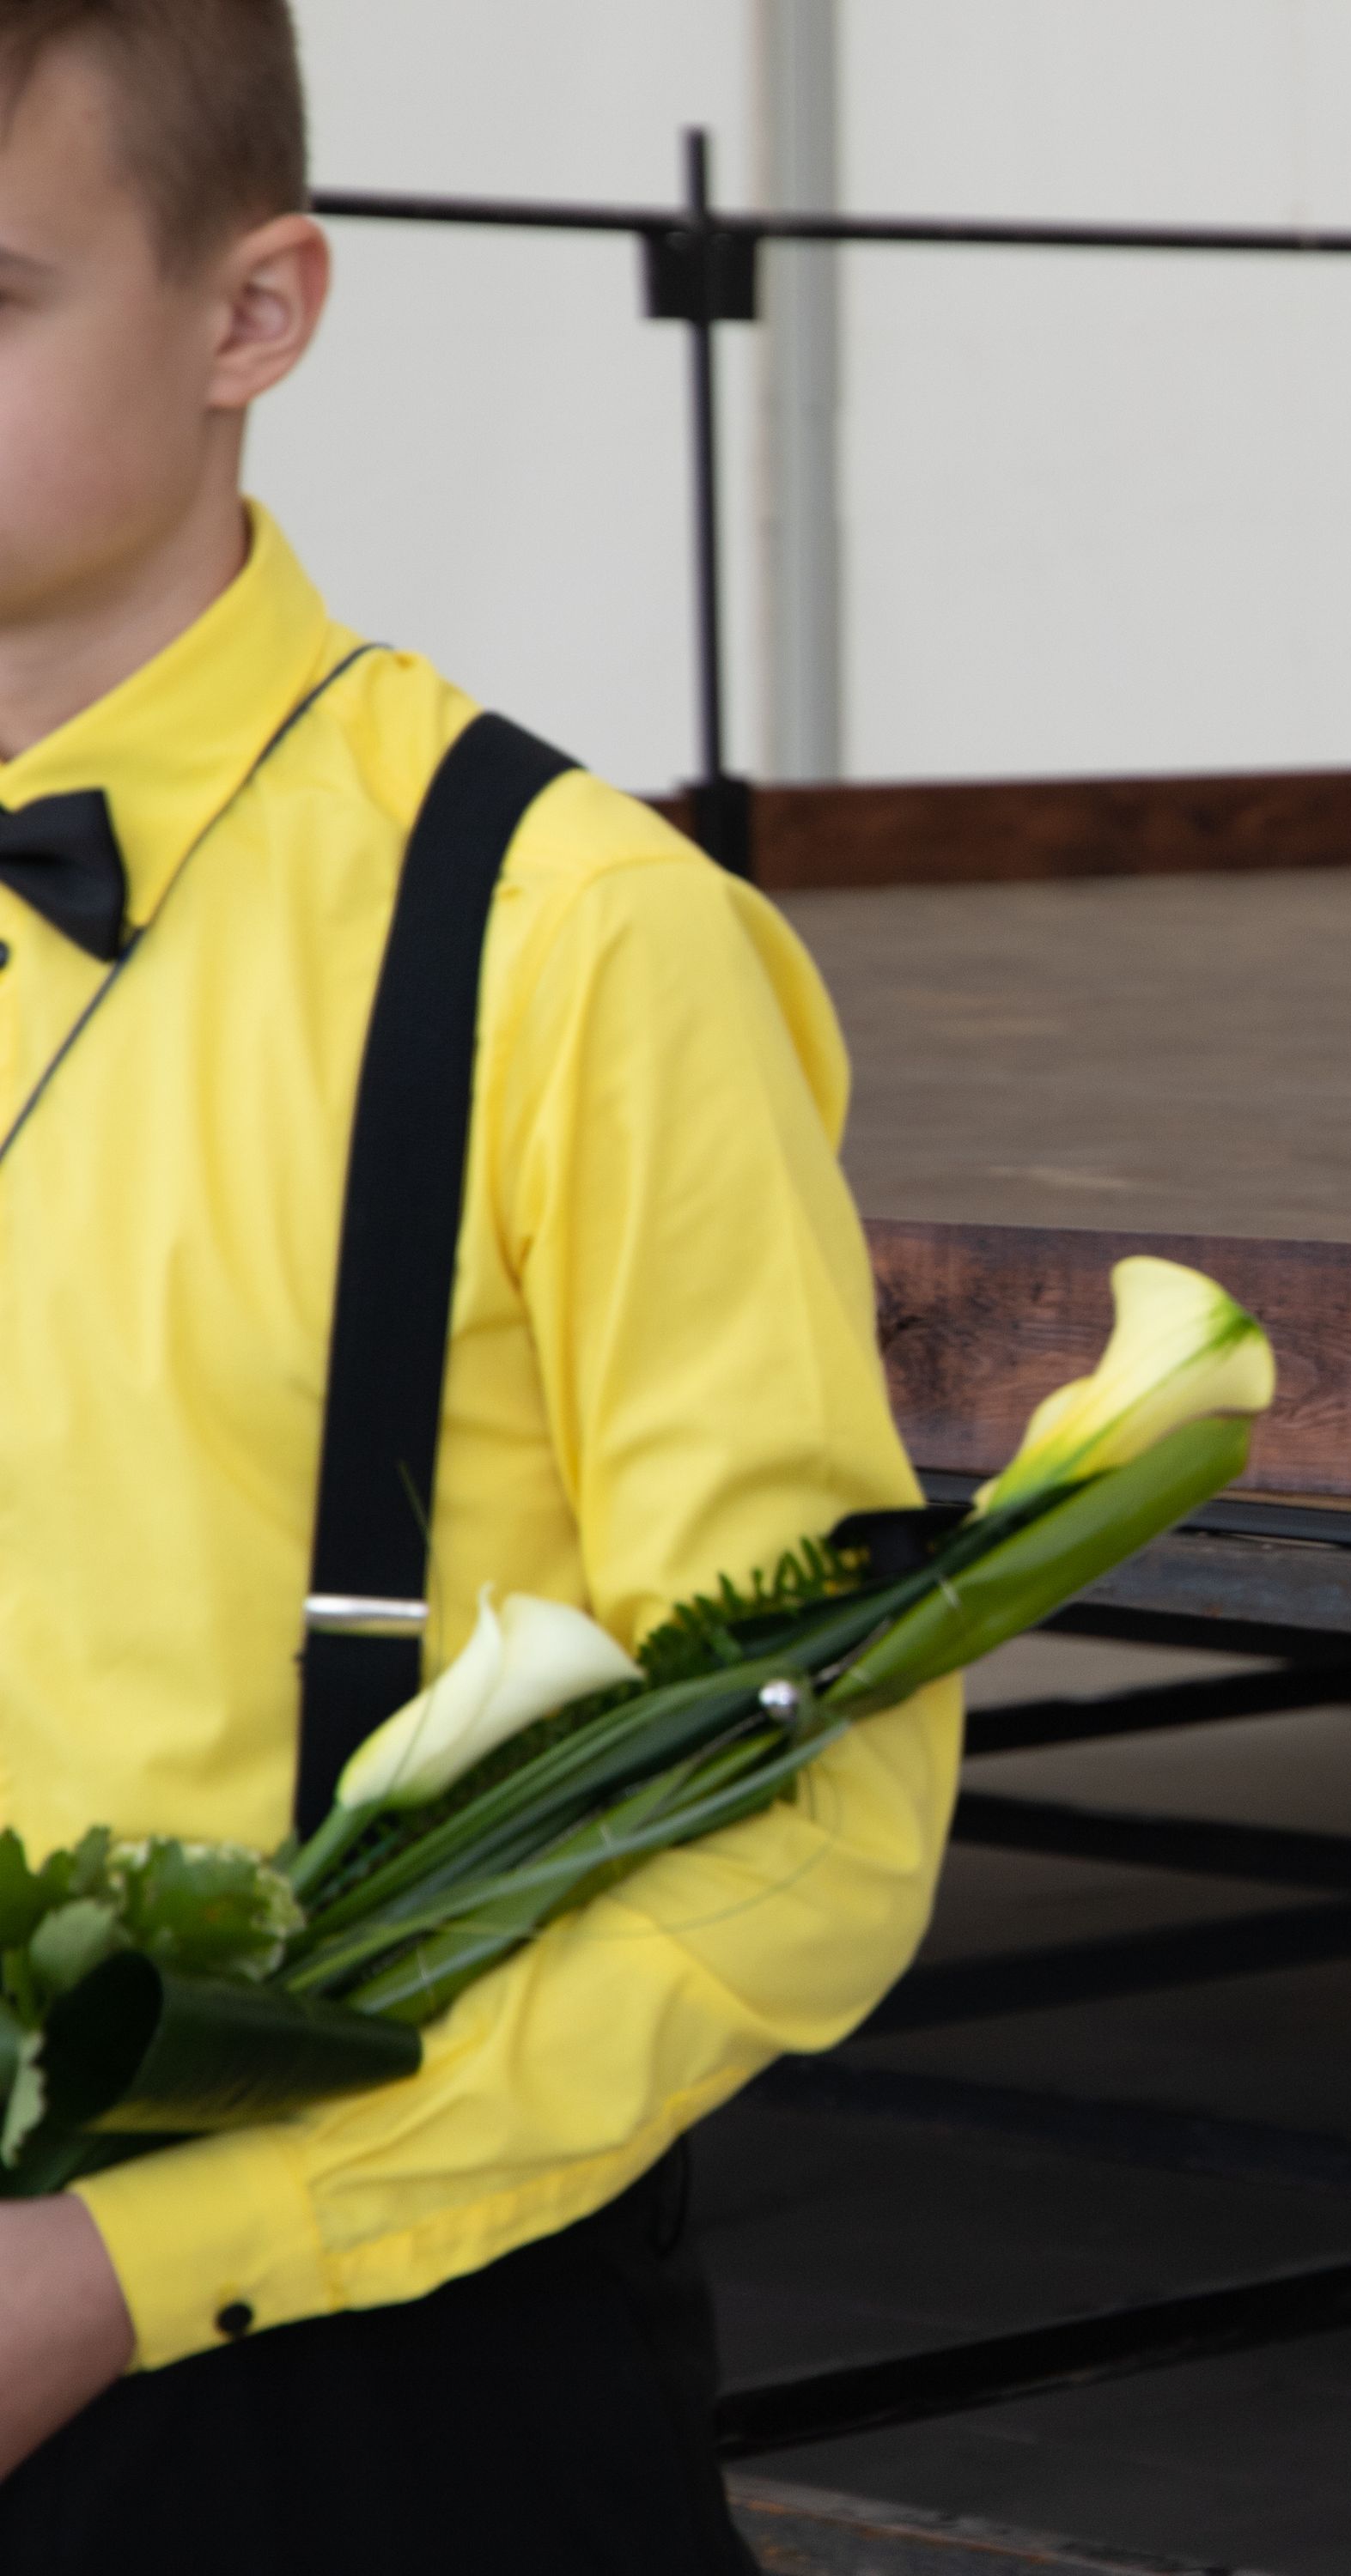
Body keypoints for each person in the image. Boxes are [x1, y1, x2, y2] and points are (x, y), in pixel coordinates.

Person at [0, 6, 958, 2566]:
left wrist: (137, 2262)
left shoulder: (571, 940)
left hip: (352, 2387)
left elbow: (809, 1800)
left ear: (254, 311)